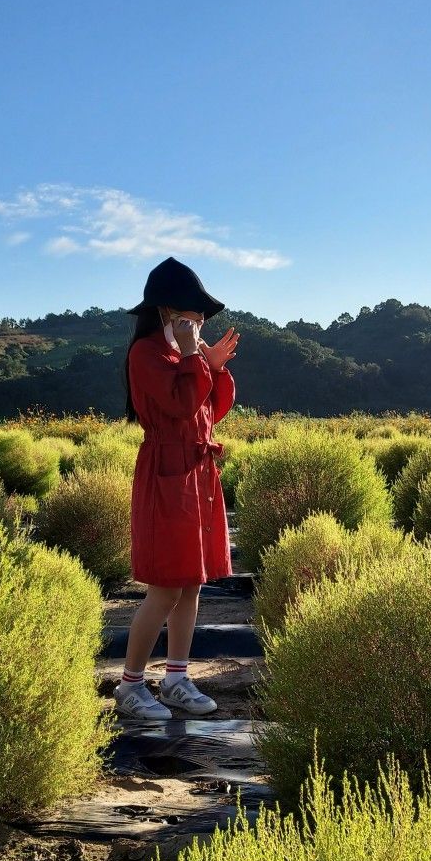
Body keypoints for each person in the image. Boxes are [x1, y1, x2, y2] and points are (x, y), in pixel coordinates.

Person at [115, 256, 240, 721]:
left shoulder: (179, 356)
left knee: (191, 582)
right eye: (192, 313)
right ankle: (130, 685)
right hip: (168, 474)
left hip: (198, 473)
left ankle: (175, 679)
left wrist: (214, 367)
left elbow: (211, 411)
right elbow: (185, 405)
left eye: (202, 316)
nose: (201, 322)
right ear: (167, 312)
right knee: (166, 584)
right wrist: (194, 358)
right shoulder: (146, 353)